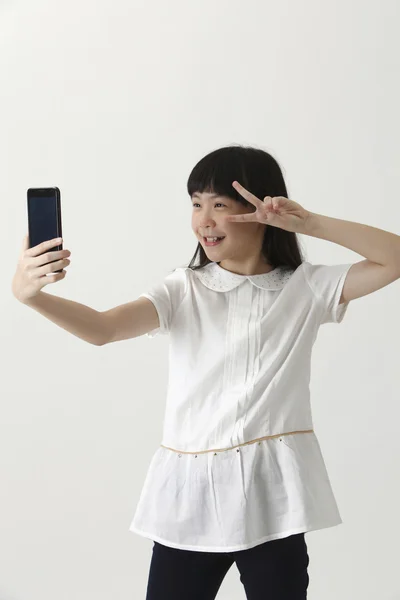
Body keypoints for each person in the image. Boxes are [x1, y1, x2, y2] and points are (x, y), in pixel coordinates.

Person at [12, 145, 400, 600]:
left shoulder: (308, 287)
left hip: (272, 500)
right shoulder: (184, 289)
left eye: (219, 205)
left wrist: (309, 223)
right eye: (196, 204)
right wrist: (32, 296)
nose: (204, 220)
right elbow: (103, 329)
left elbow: (393, 257)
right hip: (190, 502)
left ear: (261, 210)